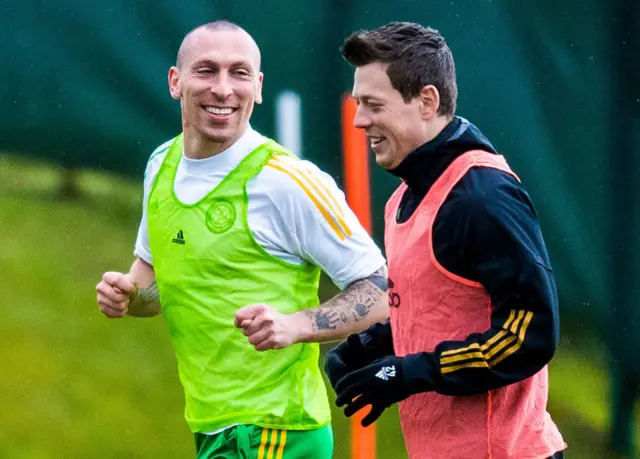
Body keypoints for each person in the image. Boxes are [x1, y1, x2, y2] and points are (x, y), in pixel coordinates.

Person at [95, 20, 388, 459]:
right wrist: (128, 295)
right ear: (176, 81)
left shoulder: (287, 181)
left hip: (276, 428)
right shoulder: (161, 165)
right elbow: (156, 284)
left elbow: (382, 291)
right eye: (207, 71)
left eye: (239, 73)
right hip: (213, 424)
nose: (224, 88)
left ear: (259, 86)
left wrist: (296, 325)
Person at [324, 21, 566, 459]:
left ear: (427, 101)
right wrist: (369, 347)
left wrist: (410, 373)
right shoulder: (403, 195)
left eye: (373, 105)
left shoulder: (482, 196)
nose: (359, 120)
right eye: (358, 104)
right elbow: (436, 312)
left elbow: (530, 333)